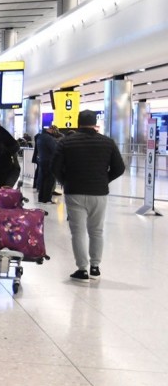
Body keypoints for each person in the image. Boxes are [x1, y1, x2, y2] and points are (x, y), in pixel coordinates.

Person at [51, 110, 126, 282]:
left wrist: (65, 181)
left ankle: (82, 269)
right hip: (99, 192)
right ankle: (95, 267)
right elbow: (120, 168)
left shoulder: (66, 142)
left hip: (74, 191)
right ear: (95, 124)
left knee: (78, 232)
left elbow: (54, 167)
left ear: (78, 123)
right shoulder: (108, 142)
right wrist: (104, 180)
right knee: (96, 231)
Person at [36, 125, 59, 204]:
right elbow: (55, 149)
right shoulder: (49, 138)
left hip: (42, 160)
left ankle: (41, 198)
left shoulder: (40, 137)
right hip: (49, 161)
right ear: (52, 130)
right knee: (49, 180)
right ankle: (47, 199)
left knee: (43, 180)